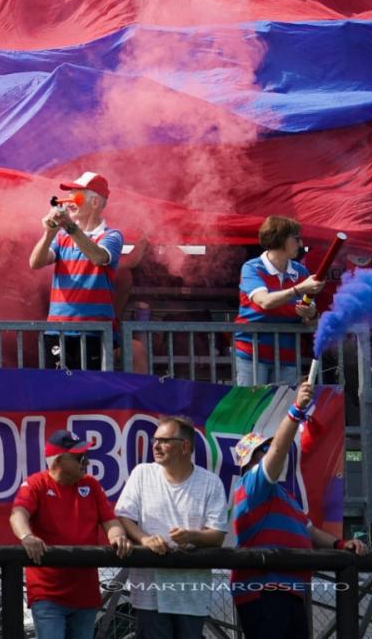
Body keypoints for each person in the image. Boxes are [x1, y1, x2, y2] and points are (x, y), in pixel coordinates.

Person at [230, 381, 368, 639]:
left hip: (290, 591)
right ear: (250, 461)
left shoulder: (284, 496)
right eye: (263, 450)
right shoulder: (252, 485)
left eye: (268, 447)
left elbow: (311, 531)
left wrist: (340, 544)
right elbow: (280, 450)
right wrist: (296, 410)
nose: (270, 451)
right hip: (264, 592)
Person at [11, 430, 133, 639]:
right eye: (79, 457)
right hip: (48, 593)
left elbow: (110, 520)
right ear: (58, 460)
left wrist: (117, 535)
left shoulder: (91, 485)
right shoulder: (36, 484)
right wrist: (27, 536)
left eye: (86, 456)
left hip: (85, 593)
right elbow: (18, 514)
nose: (86, 462)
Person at [114, 415, 228, 639]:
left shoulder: (210, 482)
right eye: (155, 439)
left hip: (191, 593)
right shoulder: (142, 473)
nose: (156, 445)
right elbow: (123, 517)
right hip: (149, 592)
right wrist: (145, 539)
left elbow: (217, 535)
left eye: (164, 440)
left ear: (185, 446)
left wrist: (192, 536)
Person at [28, 171, 123, 370]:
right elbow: (35, 263)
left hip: (95, 331)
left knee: (94, 391)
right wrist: (48, 233)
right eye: (68, 197)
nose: (68, 203)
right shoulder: (61, 236)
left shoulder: (112, 236)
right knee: (56, 391)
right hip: (57, 329)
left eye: (76, 197)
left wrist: (71, 228)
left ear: (95, 202)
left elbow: (97, 257)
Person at [234, 215, 324, 386]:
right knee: (251, 410)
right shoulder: (252, 268)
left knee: (283, 410)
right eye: (296, 238)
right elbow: (265, 302)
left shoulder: (301, 272)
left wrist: (311, 314)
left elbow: (310, 320)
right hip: (252, 355)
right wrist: (299, 289)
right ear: (280, 238)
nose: (301, 243)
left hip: (288, 357)